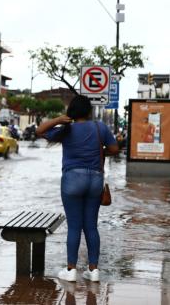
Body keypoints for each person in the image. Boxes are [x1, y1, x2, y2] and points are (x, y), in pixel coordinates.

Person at [36, 95, 119, 283]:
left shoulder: (67, 129)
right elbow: (114, 149)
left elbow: (40, 131)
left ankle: (71, 270)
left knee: (74, 226)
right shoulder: (100, 127)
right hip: (95, 180)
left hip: (72, 179)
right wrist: (99, 150)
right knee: (91, 226)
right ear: (89, 111)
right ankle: (94, 270)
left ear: (71, 111)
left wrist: (58, 119)